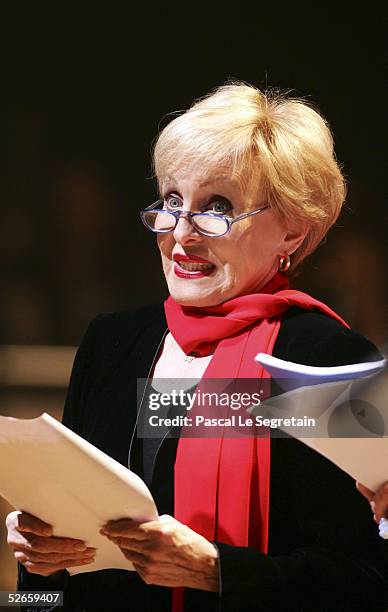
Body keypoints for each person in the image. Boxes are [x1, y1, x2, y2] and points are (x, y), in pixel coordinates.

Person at [6, 83, 387, 611]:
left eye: (217, 207)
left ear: (292, 232)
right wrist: (36, 570)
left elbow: (365, 584)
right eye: (170, 200)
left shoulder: (327, 360)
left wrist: (217, 573)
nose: (181, 234)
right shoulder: (114, 343)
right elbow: (46, 582)